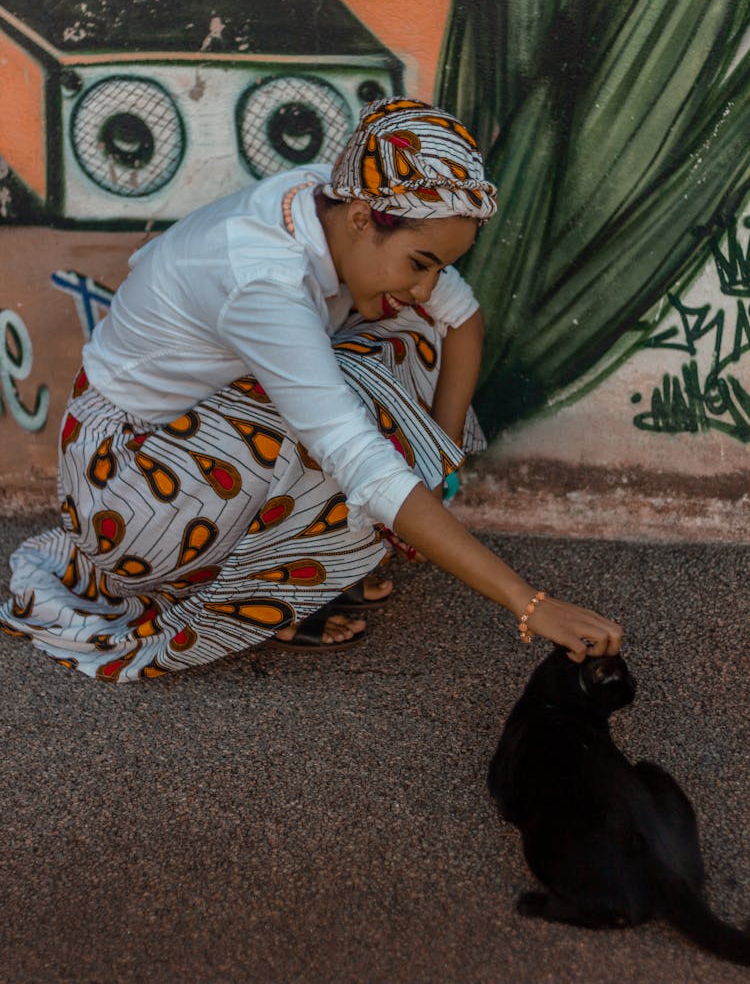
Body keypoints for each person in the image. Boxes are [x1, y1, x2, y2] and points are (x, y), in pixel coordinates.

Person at [0, 97, 622, 682]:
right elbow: (357, 457)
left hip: (189, 441)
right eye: (421, 262)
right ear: (361, 220)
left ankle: (306, 567)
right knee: (341, 426)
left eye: (438, 265)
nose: (431, 283)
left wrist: (440, 453)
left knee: (409, 331)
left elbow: (460, 317)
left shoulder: (338, 197)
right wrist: (528, 602)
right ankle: (266, 600)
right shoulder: (263, 279)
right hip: (122, 486)